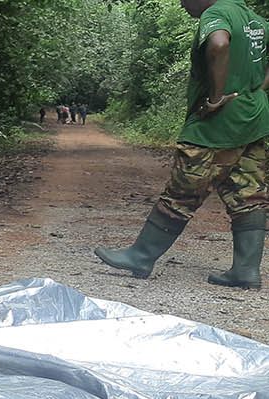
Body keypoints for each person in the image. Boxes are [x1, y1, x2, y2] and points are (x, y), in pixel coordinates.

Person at [95, 0, 268, 289]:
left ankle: (141, 256)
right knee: (249, 193)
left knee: (183, 190)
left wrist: (215, 98)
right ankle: (246, 271)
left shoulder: (217, 13)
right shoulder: (255, 20)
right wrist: (256, 91)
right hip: (255, 119)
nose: (181, 1)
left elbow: (219, 45)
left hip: (218, 125)